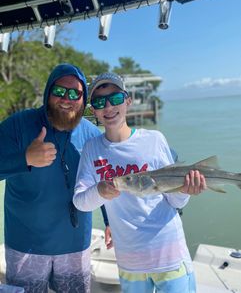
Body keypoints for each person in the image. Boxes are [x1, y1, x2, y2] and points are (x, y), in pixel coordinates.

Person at [73, 72, 207, 293]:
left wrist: (185, 191)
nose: (108, 107)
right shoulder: (92, 149)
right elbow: (80, 202)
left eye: (115, 99)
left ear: (128, 101)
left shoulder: (153, 140)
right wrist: (99, 191)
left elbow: (176, 203)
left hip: (169, 255)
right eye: (99, 102)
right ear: (93, 110)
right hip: (129, 263)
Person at [0, 63, 104, 293]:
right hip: (26, 245)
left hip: (75, 245)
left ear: (83, 99)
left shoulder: (92, 135)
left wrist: (109, 222)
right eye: (59, 91)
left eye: (75, 93)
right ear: (48, 93)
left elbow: (105, 181)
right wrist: (24, 158)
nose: (66, 99)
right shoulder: (18, 125)